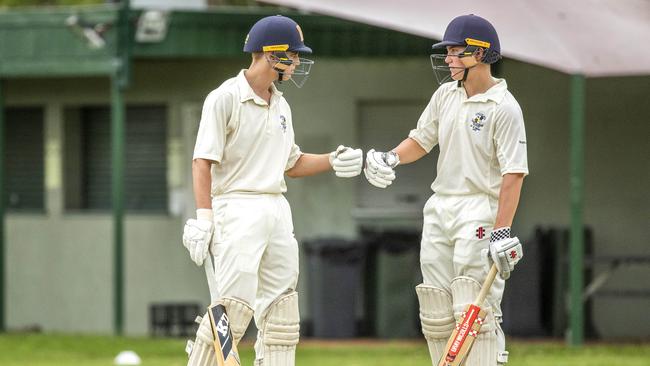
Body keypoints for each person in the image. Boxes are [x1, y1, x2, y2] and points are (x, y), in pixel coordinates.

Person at [181, 15, 363, 366]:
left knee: (281, 312)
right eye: (292, 55)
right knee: (232, 308)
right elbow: (201, 161)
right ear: (270, 54)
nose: (297, 62)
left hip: (276, 208)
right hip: (237, 208)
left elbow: (290, 164)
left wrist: (332, 160)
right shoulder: (225, 99)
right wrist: (204, 217)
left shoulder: (281, 105)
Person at [363, 14, 527, 366]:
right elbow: (421, 141)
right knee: (436, 305)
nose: (448, 59)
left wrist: (501, 231)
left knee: (473, 305)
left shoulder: (505, 108)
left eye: (456, 52)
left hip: (479, 208)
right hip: (440, 207)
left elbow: (514, 174)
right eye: (448, 52)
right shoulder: (445, 96)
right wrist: (390, 157)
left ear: (480, 54)